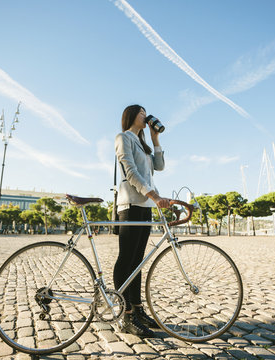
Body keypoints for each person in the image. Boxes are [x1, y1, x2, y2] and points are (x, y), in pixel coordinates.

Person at [114, 104, 169, 337]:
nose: (145, 116)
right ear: (131, 116)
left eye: (146, 114)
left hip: (145, 206)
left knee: (137, 261)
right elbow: (130, 171)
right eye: (141, 113)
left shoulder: (143, 144)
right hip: (130, 205)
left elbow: (160, 166)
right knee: (126, 259)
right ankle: (124, 315)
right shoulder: (123, 138)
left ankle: (137, 310)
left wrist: (155, 140)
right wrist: (154, 195)